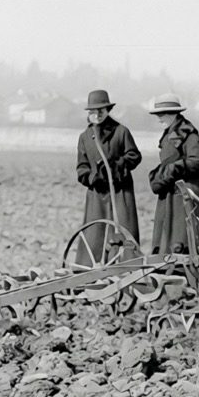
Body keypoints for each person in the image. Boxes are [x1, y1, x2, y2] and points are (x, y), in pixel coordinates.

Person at [147, 93, 199, 282]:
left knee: (186, 237)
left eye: (161, 114)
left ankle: (190, 279)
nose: (158, 119)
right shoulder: (169, 132)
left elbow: (197, 161)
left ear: (172, 113)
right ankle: (173, 277)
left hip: (187, 192)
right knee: (170, 235)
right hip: (171, 192)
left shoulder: (188, 132)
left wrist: (173, 169)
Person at [73, 90, 142, 267]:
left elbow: (134, 156)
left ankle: (129, 274)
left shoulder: (121, 132)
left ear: (107, 110)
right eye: (93, 111)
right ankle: (88, 275)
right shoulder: (85, 137)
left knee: (123, 231)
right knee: (95, 234)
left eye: (101, 110)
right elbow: (82, 168)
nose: (97, 115)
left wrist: (115, 167)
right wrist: (93, 177)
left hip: (120, 192)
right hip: (97, 195)